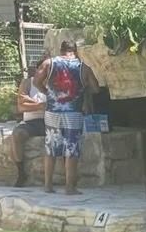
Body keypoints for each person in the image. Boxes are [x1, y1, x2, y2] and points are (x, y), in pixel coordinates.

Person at [34, 40, 100, 195]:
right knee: (71, 149)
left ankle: (48, 185)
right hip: (73, 113)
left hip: (52, 111)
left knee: (51, 148)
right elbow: (96, 88)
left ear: (61, 50)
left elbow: (36, 81)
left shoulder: (49, 63)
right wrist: (82, 91)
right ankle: (70, 187)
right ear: (75, 51)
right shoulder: (83, 67)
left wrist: (48, 93)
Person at [9, 53, 49, 187]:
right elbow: (21, 106)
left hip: (50, 122)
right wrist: (41, 105)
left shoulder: (55, 83)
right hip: (31, 122)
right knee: (17, 134)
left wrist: (30, 103)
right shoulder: (27, 83)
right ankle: (21, 172)